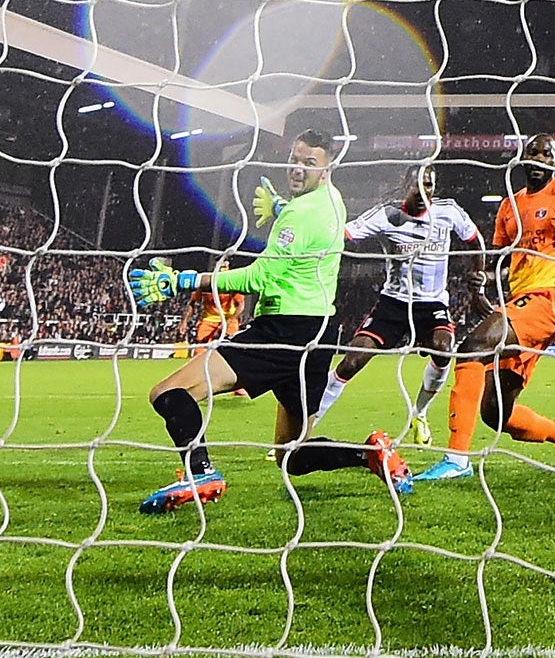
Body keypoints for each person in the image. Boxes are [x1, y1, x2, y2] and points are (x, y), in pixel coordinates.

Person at [126, 129, 413, 513]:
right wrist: (279, 208)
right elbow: (312, 231)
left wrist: (185, 280)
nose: (297, 169)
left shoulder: (300, 214)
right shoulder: (333, 199)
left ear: (327, 167)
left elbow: (260, 278)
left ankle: (200, 472)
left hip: (282, 331)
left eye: (309, 163)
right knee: (291, 455)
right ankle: (369, 453)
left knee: (167, 393)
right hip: (319, 335)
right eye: (294, 160)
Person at [411, 135, 555, 483]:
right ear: (523, 158)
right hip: (519, 303)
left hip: (548, 300)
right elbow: (502, 263)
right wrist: (481, 285)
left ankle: (457, 458)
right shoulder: (509, 206)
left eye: (547, 154)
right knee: (496, 414)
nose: (540, 158)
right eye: (533, 152)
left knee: (469, 351)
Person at [310, 162, 479, 445]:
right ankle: (304, 426)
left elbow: (475, 240)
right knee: (351, 362)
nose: (424, 190)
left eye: (429, 184)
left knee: (444, 349)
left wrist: (479, 281)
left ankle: (420, 413)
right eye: (418, 184)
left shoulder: (448, 211)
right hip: (395, 303)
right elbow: (343, 235)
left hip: (432, 303)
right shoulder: (386, 215)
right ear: (405, 184)